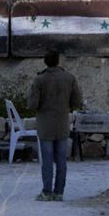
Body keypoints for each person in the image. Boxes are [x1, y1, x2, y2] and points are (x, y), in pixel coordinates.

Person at [27, 50, 83, 202]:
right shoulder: (69, 78)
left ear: (45, 62)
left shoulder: (39, 79)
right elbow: (77, 101)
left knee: (47, 161)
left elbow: (32, 104)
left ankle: (47, 191)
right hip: (62, 123)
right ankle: (59, 192)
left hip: (46, 124)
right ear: (58, 61)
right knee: (61, 161)